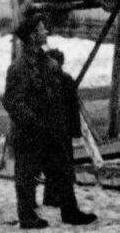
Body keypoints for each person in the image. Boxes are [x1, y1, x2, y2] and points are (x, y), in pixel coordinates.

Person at [4, 15, 96, 229]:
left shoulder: (49, 63)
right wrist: (33, 123)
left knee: (63, 172)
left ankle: (70, 212)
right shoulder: (19, 68)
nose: (46, 32)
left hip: (53, 131)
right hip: (31, 134)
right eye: (41, 29)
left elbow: (61, 93)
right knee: (27, 175)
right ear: (32, 36)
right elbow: (12, 102)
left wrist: (65, 125)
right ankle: (27, 217)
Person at [41, 48, 81, 208]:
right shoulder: (45, 80)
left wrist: (75, 130)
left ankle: (57, 196)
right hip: (51, 130)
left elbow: (73, 107)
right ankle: (51, 197)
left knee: (62, 164)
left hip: (63, 129)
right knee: (51, 164)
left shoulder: (65, 80)